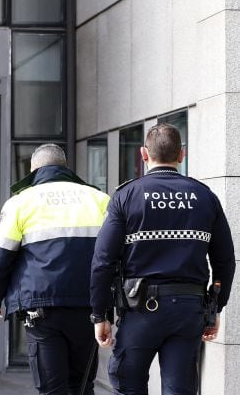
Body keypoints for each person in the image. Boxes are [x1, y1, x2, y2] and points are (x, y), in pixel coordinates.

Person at [90, 123, 236, 395]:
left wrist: (100, 314)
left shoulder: (126, 196)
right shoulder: (205, 197)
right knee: (180, 389)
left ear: (144, 155)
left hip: (139, 312)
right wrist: (214, 309)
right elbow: (225, 260)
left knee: (128, 384)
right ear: (181, 155)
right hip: (188, 310)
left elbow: (103, 260)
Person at [0, 144, 110, 395]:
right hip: (88, 308)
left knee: (52, 389)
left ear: (34, 169)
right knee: (82, 387)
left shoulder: (21, 202)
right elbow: (116, 255)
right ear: (65, 167)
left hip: (42, 311)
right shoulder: (99, 198)